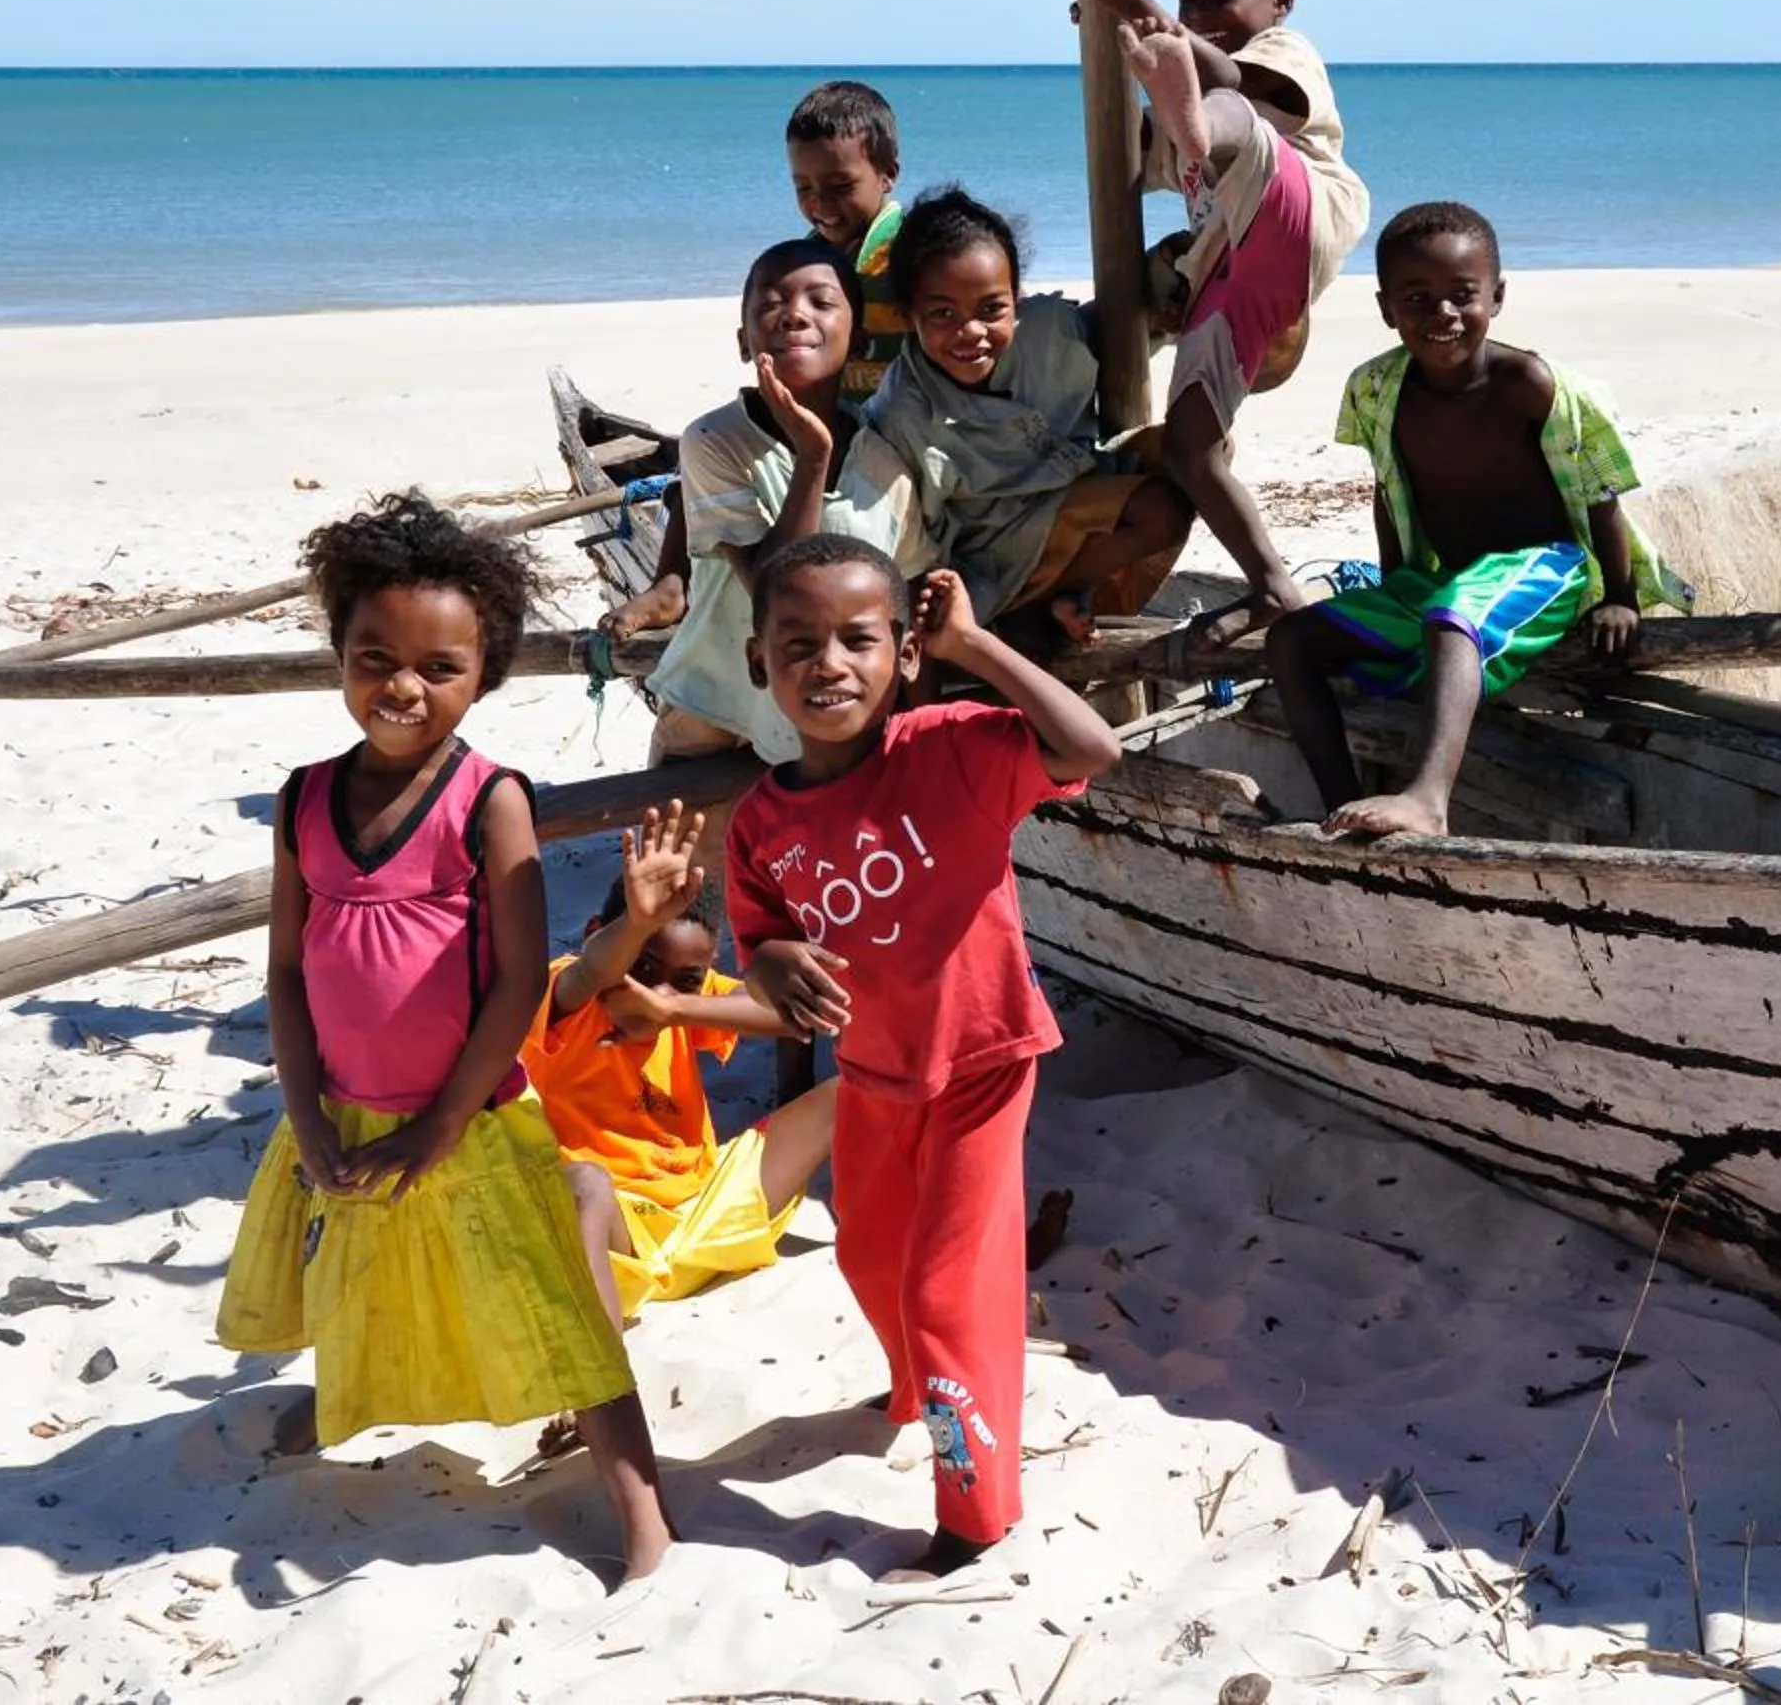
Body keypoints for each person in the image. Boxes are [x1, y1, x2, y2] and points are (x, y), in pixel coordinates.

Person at [216, 492, 673, 1584]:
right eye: (375, 656)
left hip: (469, 1114)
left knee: (563, 1312)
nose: (404, 688)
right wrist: (302, 1106)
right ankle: (336, 1408)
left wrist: (441, 1124)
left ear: (486, 675)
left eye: (440, 667)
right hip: (342, 1106)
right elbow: (286, 967)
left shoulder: (488, 801)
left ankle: (644, 1519)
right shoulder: (303, 801)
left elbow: (520, 979)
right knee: (358, 1281)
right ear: (338, 651)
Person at [721, 536, 1120, 1581]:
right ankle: (917, 1389)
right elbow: (758, 936)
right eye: (798, 642)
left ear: (903, 654)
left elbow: (1090, 750)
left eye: (860, 639)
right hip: (878, 1073)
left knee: (947, 1297)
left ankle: (970, 1516)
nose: (829, 663)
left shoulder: (951, 748)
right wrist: (771, 959)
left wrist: (977, 645)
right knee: (867, 1259)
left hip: (983, 1062)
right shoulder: (762, 821)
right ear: (759, 662)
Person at [1269, 202, 1692, 840]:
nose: (1442, 314)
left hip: (1546, 569)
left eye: (1461, 296)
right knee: (1291, 640)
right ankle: (1341, 806)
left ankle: (1427, 800)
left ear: (1496, 297)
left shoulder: (1531, 383)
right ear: (1387, 309)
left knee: (1453, 614)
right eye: (1417, 298)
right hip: (1447, 579)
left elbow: (1600, 492)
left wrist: (1622, 597)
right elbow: (1389, 491)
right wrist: (1393, 585)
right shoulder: (1376, 390)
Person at [1070, 0, 1372, 646]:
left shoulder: (1286, 51)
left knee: (1227, 106)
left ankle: (1198, 126)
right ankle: (1272, 584)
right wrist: (1108, 39)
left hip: (1297, 204)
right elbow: (1125, 149)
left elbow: (1231, 80)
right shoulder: (1184, 94)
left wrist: (1135, 3)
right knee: (1190, 447)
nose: (1201, 14)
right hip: (1235, 274)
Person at [604, 238, 931, 763]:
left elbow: (906, 601)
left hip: (829, 723)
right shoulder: (714, 440)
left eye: (820, 303)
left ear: (861, 341)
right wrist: (813, 458)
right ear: (744, 341)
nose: (794, 316)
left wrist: (918, 735)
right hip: (715, 711)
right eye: (771, 304)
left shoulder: (887, 467)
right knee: (691, 846)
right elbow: (772, 588)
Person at [522, 800, 839, 1325]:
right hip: (615, 1235)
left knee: (853, 1094)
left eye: (685, 979)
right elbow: (593, 971)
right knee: (585, 1183)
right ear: (598, 931)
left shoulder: (679, 1003)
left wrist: (676, 1008)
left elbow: (792, 1016)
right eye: (644, 967)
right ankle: (597, 1373)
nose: (658, 990)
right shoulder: (569, 995)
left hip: (703, 1219)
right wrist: (637, 924)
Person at [866, 186, 1192, 646]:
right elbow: (915, 541)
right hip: (994, 560)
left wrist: (1163, 275)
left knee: (1193, 455)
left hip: (1078, 505)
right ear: (907, 315)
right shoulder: (900, 416)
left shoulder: (1048, 331)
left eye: (991, 309)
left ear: (1015, 299)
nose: (971, 332)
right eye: (942, 313)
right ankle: (1037, 612)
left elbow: (1116, 322)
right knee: (1158, 508)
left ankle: (1074, 589)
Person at [787, 79, 911, 398]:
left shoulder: (915, 246)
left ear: (888, 175)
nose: (821, 202)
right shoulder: (806, 258)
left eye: (841, 185)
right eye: (804, 187)